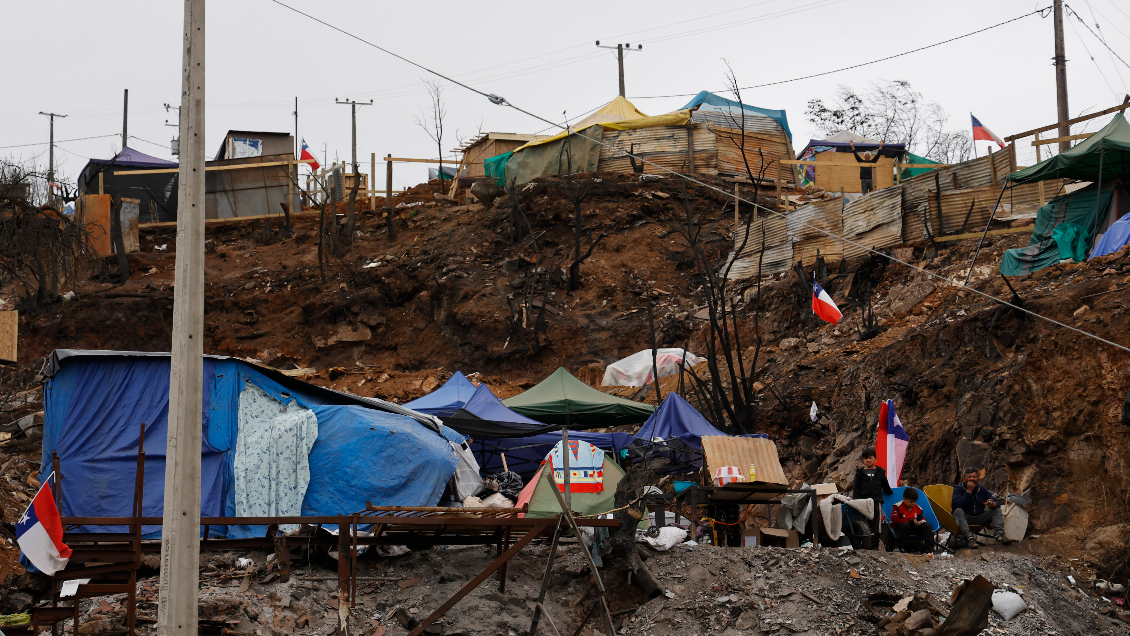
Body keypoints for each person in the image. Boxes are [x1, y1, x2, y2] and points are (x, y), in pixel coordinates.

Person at [951, 467, 1006, 546]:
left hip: (979, 517)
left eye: (974, 477)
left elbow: (996, 502)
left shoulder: (982, 489)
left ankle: (999, 535)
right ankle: (969, 538)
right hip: (965, 518)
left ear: (978, 479)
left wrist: (992, 503)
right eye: (969, 477)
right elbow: (957, 504)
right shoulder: (958, 489)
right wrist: (969, 491)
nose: (972, 479)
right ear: (964, 479)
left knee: (996, 510)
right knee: (958, 511)